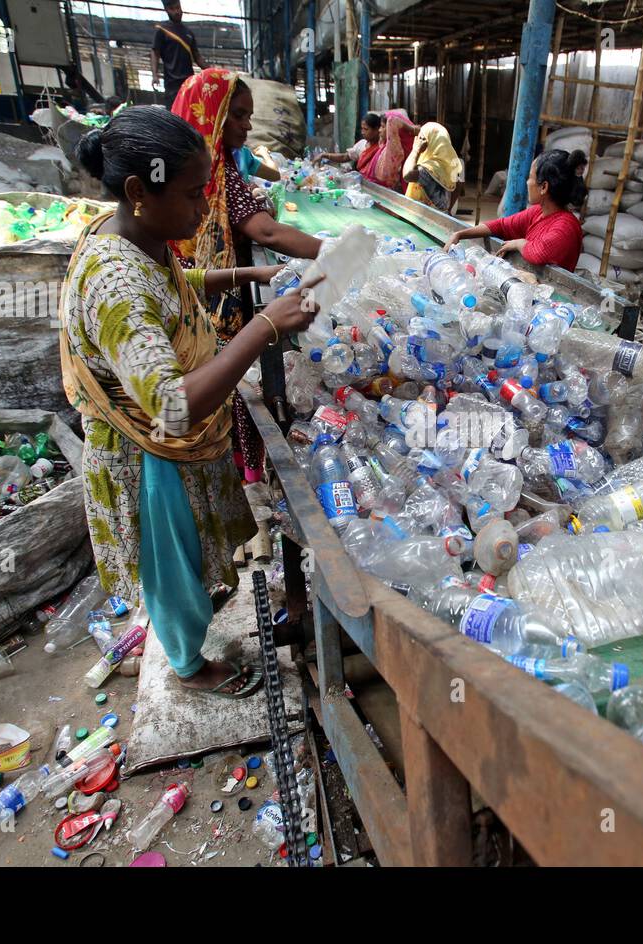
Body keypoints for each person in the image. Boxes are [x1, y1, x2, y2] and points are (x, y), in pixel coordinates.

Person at [64, 106, 318, 694]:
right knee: (171, 571)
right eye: (191, 195)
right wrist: (263, 330)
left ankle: (188, 639)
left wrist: (243, 279)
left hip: (171, 450)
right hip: (150, 454)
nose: (205, 210)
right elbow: (172, 407)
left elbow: (175, 287)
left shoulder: (138, 236)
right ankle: (188, 665)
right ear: (138, 191)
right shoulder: (115, 284)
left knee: (187, 561)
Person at [171, 68, 324, 483]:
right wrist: (333, 251)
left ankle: (234, 473)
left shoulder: (217, 167)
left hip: (209, 288)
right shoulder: (211, 172)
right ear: (213, 115)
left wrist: (254, 271)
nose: (247, 125)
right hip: (206, 314)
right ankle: (231, 471)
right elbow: (267, 231)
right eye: (237, 115)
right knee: (222, 379)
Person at [443, 148, 586, 271]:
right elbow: (502, 225)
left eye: (530, 177)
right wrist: (460, 234)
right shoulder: (538, 212)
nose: (527, 182)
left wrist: (520, 243)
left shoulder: (566, 226)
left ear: (544, 187)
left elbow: (540, 253)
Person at [317, 110, 418, 191]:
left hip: (383, 193)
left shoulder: (392, 149)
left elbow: (392, 120)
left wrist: (412, 129)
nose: (380, 131)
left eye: (382, 127)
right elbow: (345, 156)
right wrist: (324, 155)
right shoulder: (380, 146)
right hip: (368, 188)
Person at [151, 0, 204, 108]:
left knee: (191, 112)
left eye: (178, 7)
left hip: (189, 82)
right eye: (172, 9)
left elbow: (197, 56)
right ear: (166, 10)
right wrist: (154, 75)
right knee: (174, 116)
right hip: (172, 84)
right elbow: (155, 53)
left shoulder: (189, 33)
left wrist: (211, 70)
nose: (177, 12)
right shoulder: (162, 30)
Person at [403, 122, 463, 211]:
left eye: (421, 138)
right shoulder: (452, 163)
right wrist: (448, 211)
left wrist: (415, 150)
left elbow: (407, 175)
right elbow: (458, 184)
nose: (417, 140)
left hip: (422, 219)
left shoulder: (429, 168)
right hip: (439, 216)